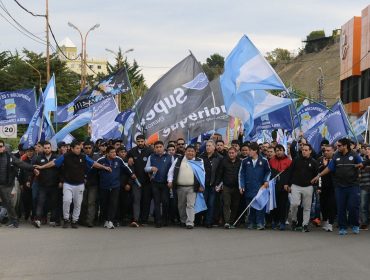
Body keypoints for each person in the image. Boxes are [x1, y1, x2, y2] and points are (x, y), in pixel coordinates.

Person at [35, 140, 111, 228]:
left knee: (78, 203)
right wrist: (42, 166)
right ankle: (66, 219)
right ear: (72, 148)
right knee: (67, 201)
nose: (79, 150)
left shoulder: (83, 156)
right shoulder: (65, 156)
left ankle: (75, 220)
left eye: (80, 148)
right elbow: (53, 163)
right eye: (77, 148)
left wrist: (104, 167)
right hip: (68, 184)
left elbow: (93, 163)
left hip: (79, 184)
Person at [312, 138, 363, 235]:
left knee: (353, 207)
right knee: (341, 208)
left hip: (353, 186)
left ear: (345, 146)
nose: (337, 147)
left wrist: (360, 165)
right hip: (339, 187)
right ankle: (342, 227)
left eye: (339, 146)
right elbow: (329, 168)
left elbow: (361, 163)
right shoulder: (336, 157)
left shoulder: (354, 155)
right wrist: (318, 175)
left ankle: (355, 225)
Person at [0, 139, 39, 228]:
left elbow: (21, 163)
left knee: (9, 204)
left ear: (4, 147)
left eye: (1, 146)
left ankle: (14, 221)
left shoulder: (9, 156)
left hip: (6, 185)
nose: (0, 148)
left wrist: (32, 168)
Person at [97, 146, 135, 229]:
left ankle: (110, 220)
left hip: (115, 185)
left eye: (114, 152)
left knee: (113, 203)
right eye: (111, 152)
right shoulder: (101, 160)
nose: (114, 154)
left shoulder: (118, 159)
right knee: (104, 203)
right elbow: (94, 169)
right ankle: (105, 220)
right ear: (107, 153)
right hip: (104, 186)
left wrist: (131, 174)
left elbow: (126, 168)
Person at [168, 145, 204, 229]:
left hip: (192, 187)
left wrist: (202, 185)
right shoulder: (179, 160)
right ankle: (183, 221)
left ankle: (190, 222)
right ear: (185, 152)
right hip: (180, 187)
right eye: (188, 151)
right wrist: (170, 181)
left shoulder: (199, 161)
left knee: (190, 205)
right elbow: (171, 171)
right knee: (181, 205)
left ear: (195, 153)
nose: (190, 153)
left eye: (192, 151)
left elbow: (203, 174)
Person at [287, 143, 318, 232]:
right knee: (294, 204)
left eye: (306, 150)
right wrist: (288, 184)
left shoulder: (313, 162)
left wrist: (317, 187)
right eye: (302, 150)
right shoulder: (296, 160)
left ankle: (305, 225)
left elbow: (317, 175)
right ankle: (294, 220)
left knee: (307, 207)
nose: (303, 151)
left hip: (308, 187)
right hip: (296, 186)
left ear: (310, 151)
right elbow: (290, 172)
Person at [239, 142, 271, 230]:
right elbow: (241, 174)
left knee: (260, 205)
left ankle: (260, 223)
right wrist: (241, 185)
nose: (248, 152)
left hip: (260, 187)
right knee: (250, 205)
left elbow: (268, 171)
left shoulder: (264, 160)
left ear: (255, 151)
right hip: (249, 187)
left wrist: (266, 181)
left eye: (250, 150)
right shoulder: (245, 161)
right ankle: (251, 222)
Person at [145, 141, 173, 227]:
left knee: (165, 202)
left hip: (165, 183)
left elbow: (172, 170)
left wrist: (170, 181)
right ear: (154, 148)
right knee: (156, 202)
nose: (158, 148)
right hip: (155, 183)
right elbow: (146, 169)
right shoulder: (151, 156)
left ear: (163, 147)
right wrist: (151, 168)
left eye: (160, 147)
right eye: (156, 147)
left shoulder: (169, 157)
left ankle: (165, 220)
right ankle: (158, 221)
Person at [32, 141, 60, 228]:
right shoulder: (38, 158)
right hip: (42, 185)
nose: (47, 149)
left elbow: (61, 170)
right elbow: (33, 168)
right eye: (45, 148)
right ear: (43, 148)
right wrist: (35, 171)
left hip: (54, 185)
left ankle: (53, 220)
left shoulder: (57, 157)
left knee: (54, 203)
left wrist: (61, 181)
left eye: (48, 148)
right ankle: (38, 220)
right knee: (40, 202)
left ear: (51, 148)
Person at [127, 134, 152, 225]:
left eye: (142, 141)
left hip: (147, 181)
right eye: (138, 141)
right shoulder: (131, 151)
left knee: (146, 201)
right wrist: (129, 158)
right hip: (136, 181)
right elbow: (127, 163)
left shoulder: (150, 151)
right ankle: (136, 219)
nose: (140, 143)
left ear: (145, 141)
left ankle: (144, 220)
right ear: (136, 142)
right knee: (136, 200)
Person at [216, 147, 241, 229]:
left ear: (236, 153)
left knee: (235, 205)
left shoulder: (240, 162)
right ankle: (226, 222)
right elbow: (220, 173)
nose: (231, 154)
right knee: (226, 204)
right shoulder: (224, 161)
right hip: (226, 186)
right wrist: (218, 184)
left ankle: (232, 221)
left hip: (237, 187)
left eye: (233, 153)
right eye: (229, 153)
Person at [200, 140, 223, 228]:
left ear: (214, 147)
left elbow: (220, 173)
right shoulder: (201, 157)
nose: (208, 147)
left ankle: (208, 222)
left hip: (213, 185)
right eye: (206, 146)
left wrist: (217, 184)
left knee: (211, 204)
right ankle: (201, 219)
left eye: (210, 145)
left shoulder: (219, 158)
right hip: (203, 185)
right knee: (203, 203)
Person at [268, 144, 292, 230]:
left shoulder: (289, 161)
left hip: (284, 186)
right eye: (277, 150)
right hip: (274, 187)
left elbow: (290, 175)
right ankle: (275, 221)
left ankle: (282, 222)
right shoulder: (271, 161)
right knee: (274, 205)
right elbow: (269, 174)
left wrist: (288, 184)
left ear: (283, 150)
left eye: (280, 150)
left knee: (283, 205)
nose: (278, 152)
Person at [80, 141, 99, 227]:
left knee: (91, 202)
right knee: (83, 202)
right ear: (83, 148)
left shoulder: (97, 157)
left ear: (92, 148)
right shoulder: (80, 157)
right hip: (82, 182)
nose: (88, 150)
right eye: (86, 148)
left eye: (89, 148)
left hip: (93, 183)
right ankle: (82, 220)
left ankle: (90, 221)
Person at [317, 144, 336, 232]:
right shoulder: (320, 160)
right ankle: (324, 220)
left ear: (333, 151)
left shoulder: (336, 159)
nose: (326, 152)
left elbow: (333, 170)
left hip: (333, 186)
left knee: (331, 204)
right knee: (323, 204)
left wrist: (327, 165)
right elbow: (319, 174)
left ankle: (330, 222)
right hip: (323, 186)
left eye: (328, 150)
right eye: (325, 150)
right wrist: (319, 186)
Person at [359, 145, 370, 230]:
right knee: (363, 205)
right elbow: (358, 171)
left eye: (368, 149)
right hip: (364, 185)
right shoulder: (361, 159)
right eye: (366, 149)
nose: (367, 150)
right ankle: (365, 223)